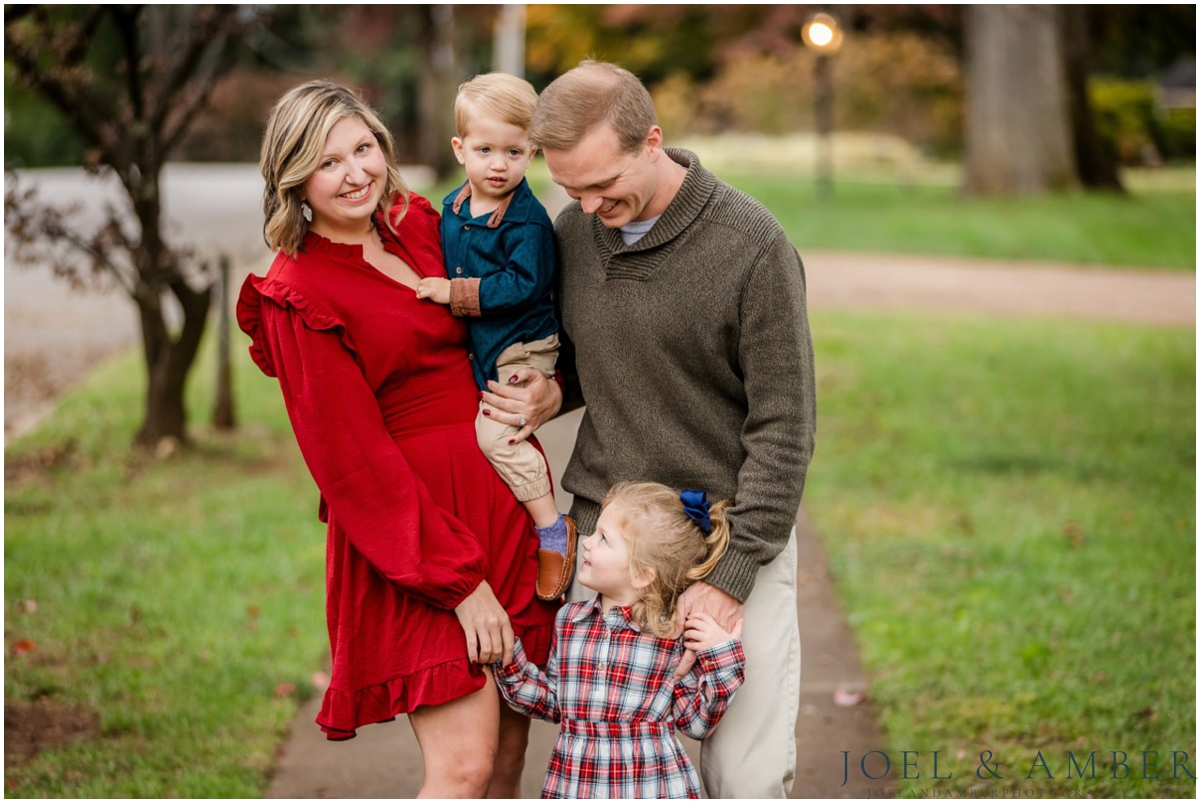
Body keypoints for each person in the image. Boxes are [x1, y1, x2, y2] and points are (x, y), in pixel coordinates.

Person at [482, 60, 817, 798]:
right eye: (572, 189)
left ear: (652, 140)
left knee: (745, 773)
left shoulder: (752, 248)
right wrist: (551, 388)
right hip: (609, 544)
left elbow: (786, 427)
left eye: (605, 185)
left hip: (727, 539)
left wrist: (729, 581)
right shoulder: (573, 232)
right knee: (610, 765)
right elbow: (588, 355)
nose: (591, 204)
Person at [236, 80, 559, 798]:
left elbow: (523, 302)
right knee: (463, 769)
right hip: (418, 538)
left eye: (364, 149)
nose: (356, 173)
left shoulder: (419, 224)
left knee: (507, 764)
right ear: (293, 178)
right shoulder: (299, 293)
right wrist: (459, 584)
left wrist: (551, 388)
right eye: (328, 162)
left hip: (500, 502)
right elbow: (351, 466)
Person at [413, 73, 576, 601]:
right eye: (485, 149)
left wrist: (453, 293)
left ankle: (553, 529)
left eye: (514, 151)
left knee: (495, 436)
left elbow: (523, 285)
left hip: (522, 343)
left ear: (532, 151)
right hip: (484, 343)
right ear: (461, 150)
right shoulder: (454, 207)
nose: (499, 164)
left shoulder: (527, 223)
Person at [494, 482, 746, 799]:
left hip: (653, 788)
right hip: (576, 787)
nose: (587, 545)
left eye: (603, 540)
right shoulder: (570, 621)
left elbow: (696, 724)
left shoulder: (670, 635)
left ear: (642, 574)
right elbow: (555, 702)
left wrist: (722, 656)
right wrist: (506, 657)